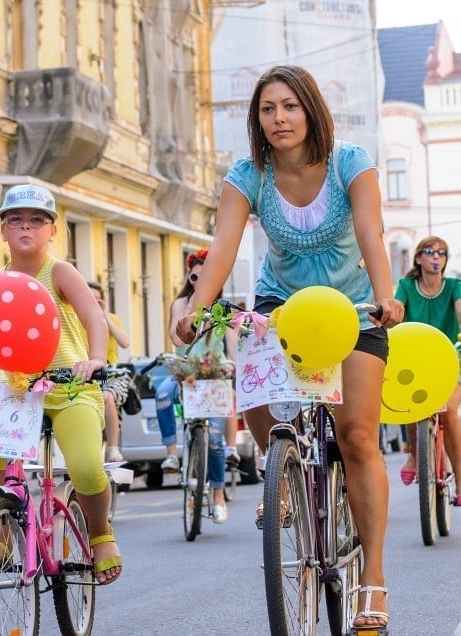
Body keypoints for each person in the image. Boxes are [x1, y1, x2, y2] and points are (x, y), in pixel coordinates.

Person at [175, 65, 403, 634]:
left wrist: (386, 294)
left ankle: (372, 579)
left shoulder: (351, 162)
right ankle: (285, 471)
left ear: (311, 110)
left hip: (353, 308)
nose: (278, 119)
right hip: (283, 304)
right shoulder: (248, 175)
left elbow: (372, 232)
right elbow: (223, 246)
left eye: (289, 106)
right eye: (267, 109)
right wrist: (199, 307)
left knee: (355, 436)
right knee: (255, 396)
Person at [0, 184, 121, 584]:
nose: (26, 228)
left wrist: (95, 358)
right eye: (15, 220)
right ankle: (4, 532)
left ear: (52, 231)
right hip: (19, 391)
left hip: (70, 388)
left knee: (85, 466)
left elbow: (94, 318)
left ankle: (100, 533)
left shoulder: (59, 271)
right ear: (3, 229)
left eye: (36, 220)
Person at [394, 236, 461, 506]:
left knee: (450, 411)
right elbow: (397, 311)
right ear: (418, 258)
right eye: (430, 252)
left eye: (442, 254)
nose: (437, 258)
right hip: (416, 355)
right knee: (406, 400)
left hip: (452, 354)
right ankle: (412, 454)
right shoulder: (406, 286)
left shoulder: (454, 286)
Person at [156, 248, 237, 523]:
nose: (199, 283)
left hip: (215, 373)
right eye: (194, 277)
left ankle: (217, 494)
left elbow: (234, 346)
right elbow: (176, 341)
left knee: (214, 440)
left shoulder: (225, 307)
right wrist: (191, 320)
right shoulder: (181, 305)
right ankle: (172, 454)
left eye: (206, 278)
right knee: (163, 393)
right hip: (186, 371)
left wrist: (233, 367)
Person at [88, 282, 131, 462]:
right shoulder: (74, 317)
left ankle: (113, 448)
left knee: (107, 396)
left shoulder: (110, 318)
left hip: (110, 374)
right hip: (83, 373)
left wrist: (103, 315)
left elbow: (124, 342)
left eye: (97, 299)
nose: (92, 302)